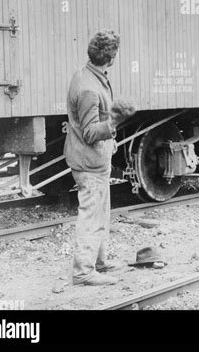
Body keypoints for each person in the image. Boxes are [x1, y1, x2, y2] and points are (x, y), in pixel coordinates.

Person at [64, 30, 134, 286]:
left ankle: (99, 262)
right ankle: (83, 272)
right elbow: (91, 132)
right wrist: (114, 120)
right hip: (88, 161)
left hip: (95, 159)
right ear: (112, 56)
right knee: (91, 214)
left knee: (101, 213)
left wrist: (111, 142)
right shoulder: (89, 89)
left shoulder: (88, 75)